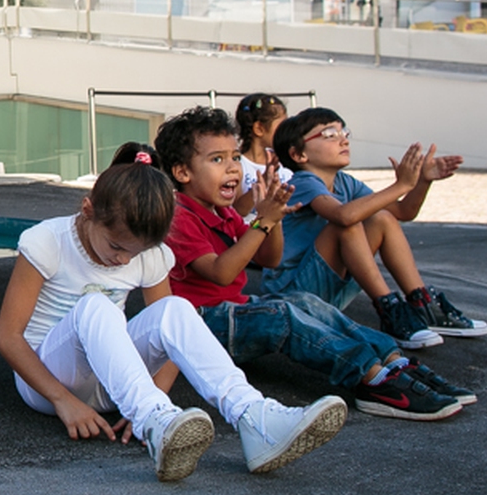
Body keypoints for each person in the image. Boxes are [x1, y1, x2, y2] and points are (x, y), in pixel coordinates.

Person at [0, 145, 347, 481]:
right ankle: (153, 420)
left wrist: (157, 392)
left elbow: (169, 333)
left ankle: (253, 417)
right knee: (96, 306)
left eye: (136, 252)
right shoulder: (48, 241)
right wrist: (62, 401)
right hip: (46, 381)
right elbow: (8, 337)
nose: (123, 260)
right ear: (88, 211)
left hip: (113, 387)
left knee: (176, 307)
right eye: (117, 246)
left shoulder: (148, 254)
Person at [157, 107, 469, 421]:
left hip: (233, 311)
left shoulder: (222, 212)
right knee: (282, 315)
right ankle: (372, 379)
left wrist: (274, 216)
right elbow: (222, 273)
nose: (233, 169)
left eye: (236, 158)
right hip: (200, 325)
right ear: (183, 172)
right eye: (217, 160)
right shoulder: (179, 216)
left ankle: (393, 362)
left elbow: (269, 258)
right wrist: (262, 223)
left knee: (303, 302)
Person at [261, 107, 487, 347]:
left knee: (382, 219)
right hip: (291, 296)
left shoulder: (345, 182)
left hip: (325, 288)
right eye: (329, 134)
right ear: (298, 155)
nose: (343, 140)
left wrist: (422, 182)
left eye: (344, 133)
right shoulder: (302, 182)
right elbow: (343, 216)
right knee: (345, 225)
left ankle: (423, 304)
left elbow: (403, 212)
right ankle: (390, 310)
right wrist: (401, 185)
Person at [234, 92, 293, 223]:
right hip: (253, 233)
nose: (287, 131)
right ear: (259, 128)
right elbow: (237, 211)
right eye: (282, 125)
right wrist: (265, 179)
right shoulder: (238, 165)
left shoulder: (287, 162)